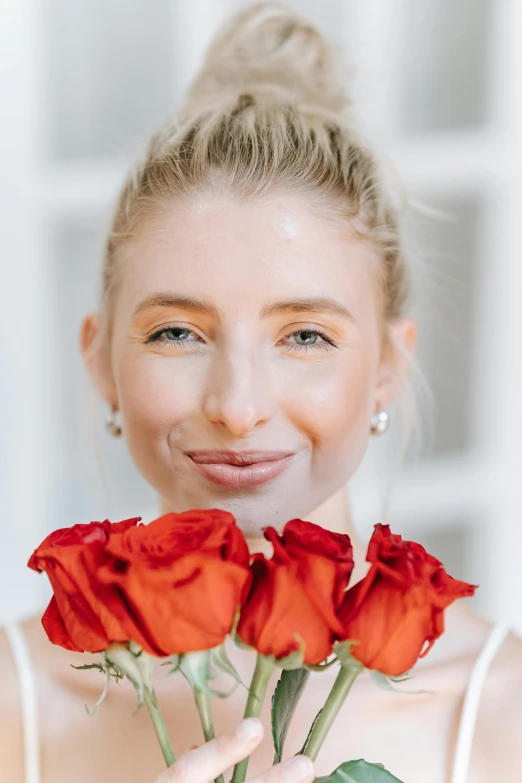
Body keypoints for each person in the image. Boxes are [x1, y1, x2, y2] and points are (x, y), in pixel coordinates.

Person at [1, 2, 522, 782]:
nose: (237, 406)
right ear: (101, 360)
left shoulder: (501, 718)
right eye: (177, 332)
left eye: (304, 335)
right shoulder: (16, 706)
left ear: (386, 363)